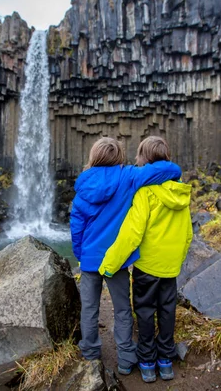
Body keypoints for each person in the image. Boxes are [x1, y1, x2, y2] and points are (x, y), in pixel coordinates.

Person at [70, 137, 181, 375]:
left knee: (89, 309)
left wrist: (80, 254)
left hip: (89, 259)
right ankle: (126, 358)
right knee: (121, 309)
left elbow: (76, 225)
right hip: (117, 260)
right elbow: (164, 169)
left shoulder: (83, 184)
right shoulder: (128, 176)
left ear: (94, 156)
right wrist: (175, 168)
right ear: (119, 156)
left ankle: (90, 353)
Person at [98, 136, 193, 383]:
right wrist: (177, 260)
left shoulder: (146, 192)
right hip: (170, 267)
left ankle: (148, 363)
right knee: (167, 311)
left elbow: (131, 233)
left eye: (139, 156)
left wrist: (110, 264)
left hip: (147, 267)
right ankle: (166, 361)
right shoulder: (181, 192)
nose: (136, 161)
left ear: (146, 159)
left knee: (144, 311)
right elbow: (188, 233)